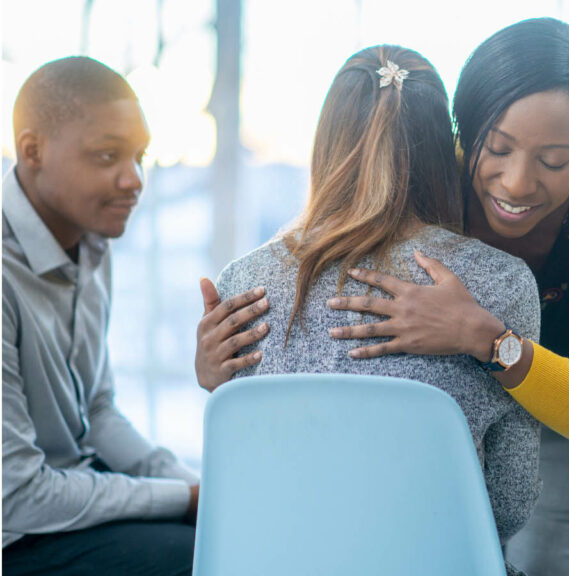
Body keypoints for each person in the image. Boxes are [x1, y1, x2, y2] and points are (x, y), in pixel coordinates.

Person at [195, 18, 569, 576]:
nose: (518, 183)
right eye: (495, 148)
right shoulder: (419, 161)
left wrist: (485, 339)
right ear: (461, 130)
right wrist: (216, 368)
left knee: (546, 562)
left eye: (554, 162)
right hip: (467, 451)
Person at [211, 45, 541, 576]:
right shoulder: (501, 283)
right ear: (442, 149)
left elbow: (240, 472)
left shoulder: (244, 281)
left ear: (326, 142)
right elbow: (510, 503)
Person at [2, 56, 199, 576]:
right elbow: (17, 496)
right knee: (200, 559)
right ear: (32, 151)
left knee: (225, 530)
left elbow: (99, 410)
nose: (133, 179)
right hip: (16, 534)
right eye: (108, 155)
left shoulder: (91, 242)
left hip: (68, 495)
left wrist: (195, 487)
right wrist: (181, 497)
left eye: (139, 156)